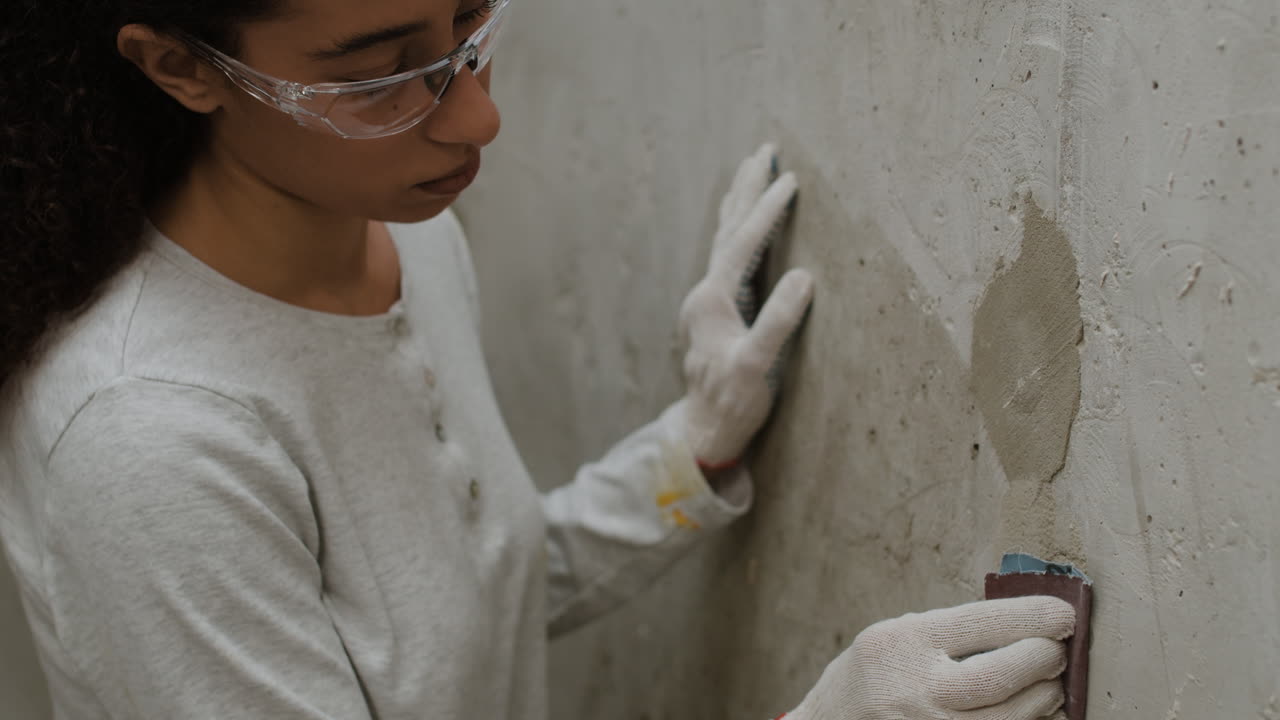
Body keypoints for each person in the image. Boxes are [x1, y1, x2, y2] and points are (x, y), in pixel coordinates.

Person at [0, 0, 1075, 718]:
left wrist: (691, 453)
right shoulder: (150, 443)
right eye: (380, 77)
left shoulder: (410, 239)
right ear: (181, 67)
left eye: (469, 29)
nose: (478, 115)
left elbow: (456, 613)